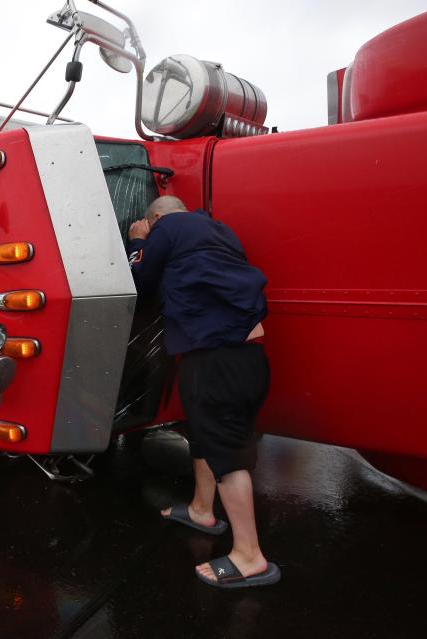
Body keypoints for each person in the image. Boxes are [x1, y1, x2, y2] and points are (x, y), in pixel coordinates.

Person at [128, 195, 280, 589]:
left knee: (226, 452)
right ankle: (200, 510)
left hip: (215, 360)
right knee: (205, 434)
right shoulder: (220, 231)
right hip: (247, 359)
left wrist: (139, 242)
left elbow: (140, 282)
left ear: (157, 216)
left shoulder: (167, 228)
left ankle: (250, 556)